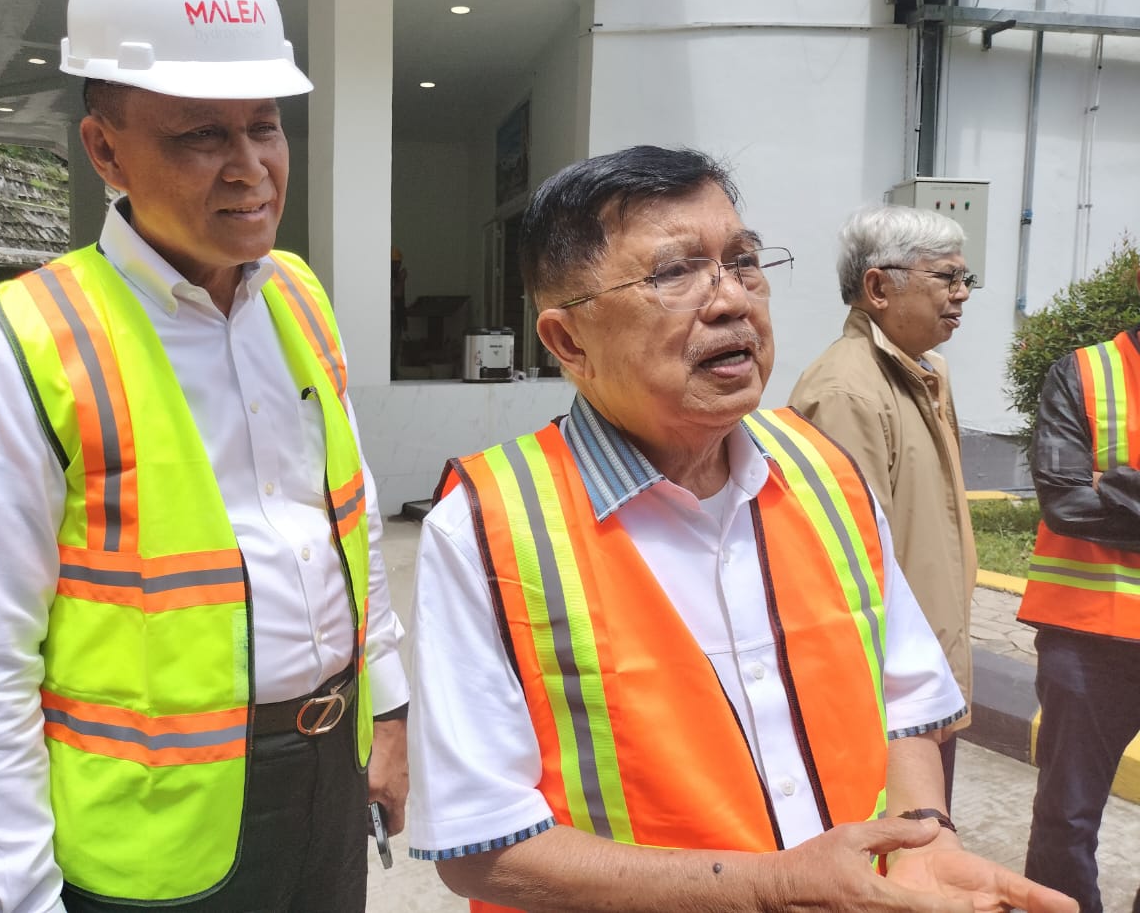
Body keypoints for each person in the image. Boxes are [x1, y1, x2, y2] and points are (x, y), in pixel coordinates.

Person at [405, 146, 1074, 913]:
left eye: (744, 261)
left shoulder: (825, 471)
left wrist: (924, 840)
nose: (731, 300)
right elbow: (483, 848)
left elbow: (908, 701)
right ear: (567, 341)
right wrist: (770, 889)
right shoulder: (488, 527)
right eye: (673, 272)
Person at [0, 0, 409, 913]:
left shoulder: (297, 298)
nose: (251, 166)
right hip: (151, 843)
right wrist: (14, 900)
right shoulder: (21, 347)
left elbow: (348, 519)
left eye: (264, 124)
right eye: (202, 134)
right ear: (105, 150)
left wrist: (389, 707)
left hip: (327, 776)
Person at [788, 204, 978, 808]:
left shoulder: (924, 372)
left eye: (966, 278)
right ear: (878, 288)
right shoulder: (847, 391)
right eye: (946, 277)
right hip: (892, 696)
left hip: (930, 674)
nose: (962, 293)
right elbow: (850, 569)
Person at [1019, 284, 1140, 913]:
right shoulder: (1084, 374)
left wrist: (1112, 484)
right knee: (1066, 819)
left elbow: (1088, 493)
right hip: (1090, 638)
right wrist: (1088, 488)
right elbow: (1065, 502)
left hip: (1091, 636)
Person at [391, 245, 408, 378]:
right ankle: (391, 374)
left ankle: (394, 373)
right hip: (390, 316)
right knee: (391, 348)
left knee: (396, 348)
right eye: (395, 263)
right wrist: (401, 280)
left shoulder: (396, 277)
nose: (397, 266)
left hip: (396, 315)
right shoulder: (388, 277)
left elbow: (401, 300)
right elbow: (396, 294)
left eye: (398, 263)